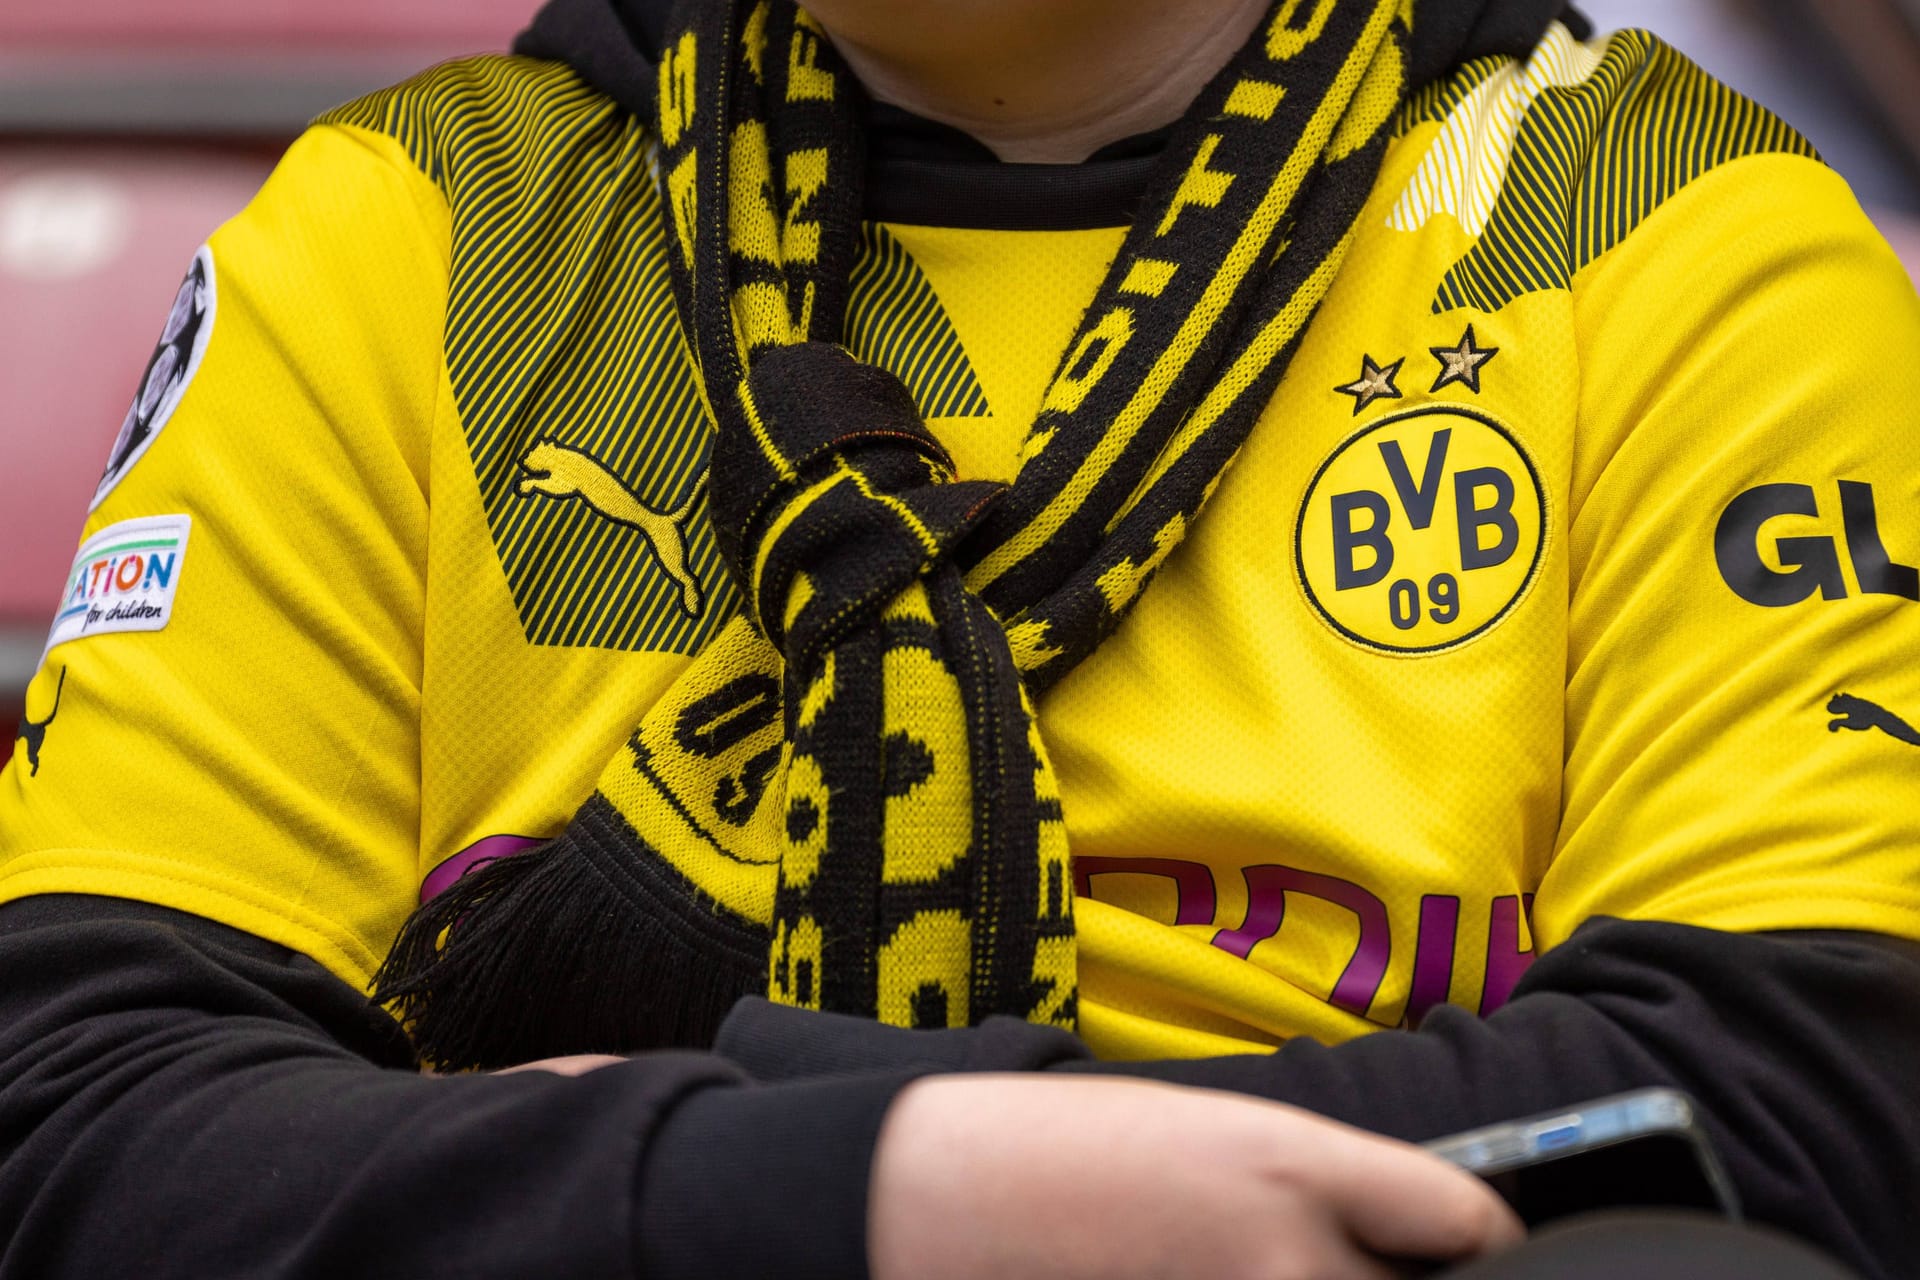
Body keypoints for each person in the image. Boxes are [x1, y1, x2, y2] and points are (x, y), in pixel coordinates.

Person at [3, 0, 1917, 1275]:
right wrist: (866, 1201)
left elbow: (1803, 1108)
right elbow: (75, 1124)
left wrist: (830, 1184)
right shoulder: (417, 228)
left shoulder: (1672, 230)